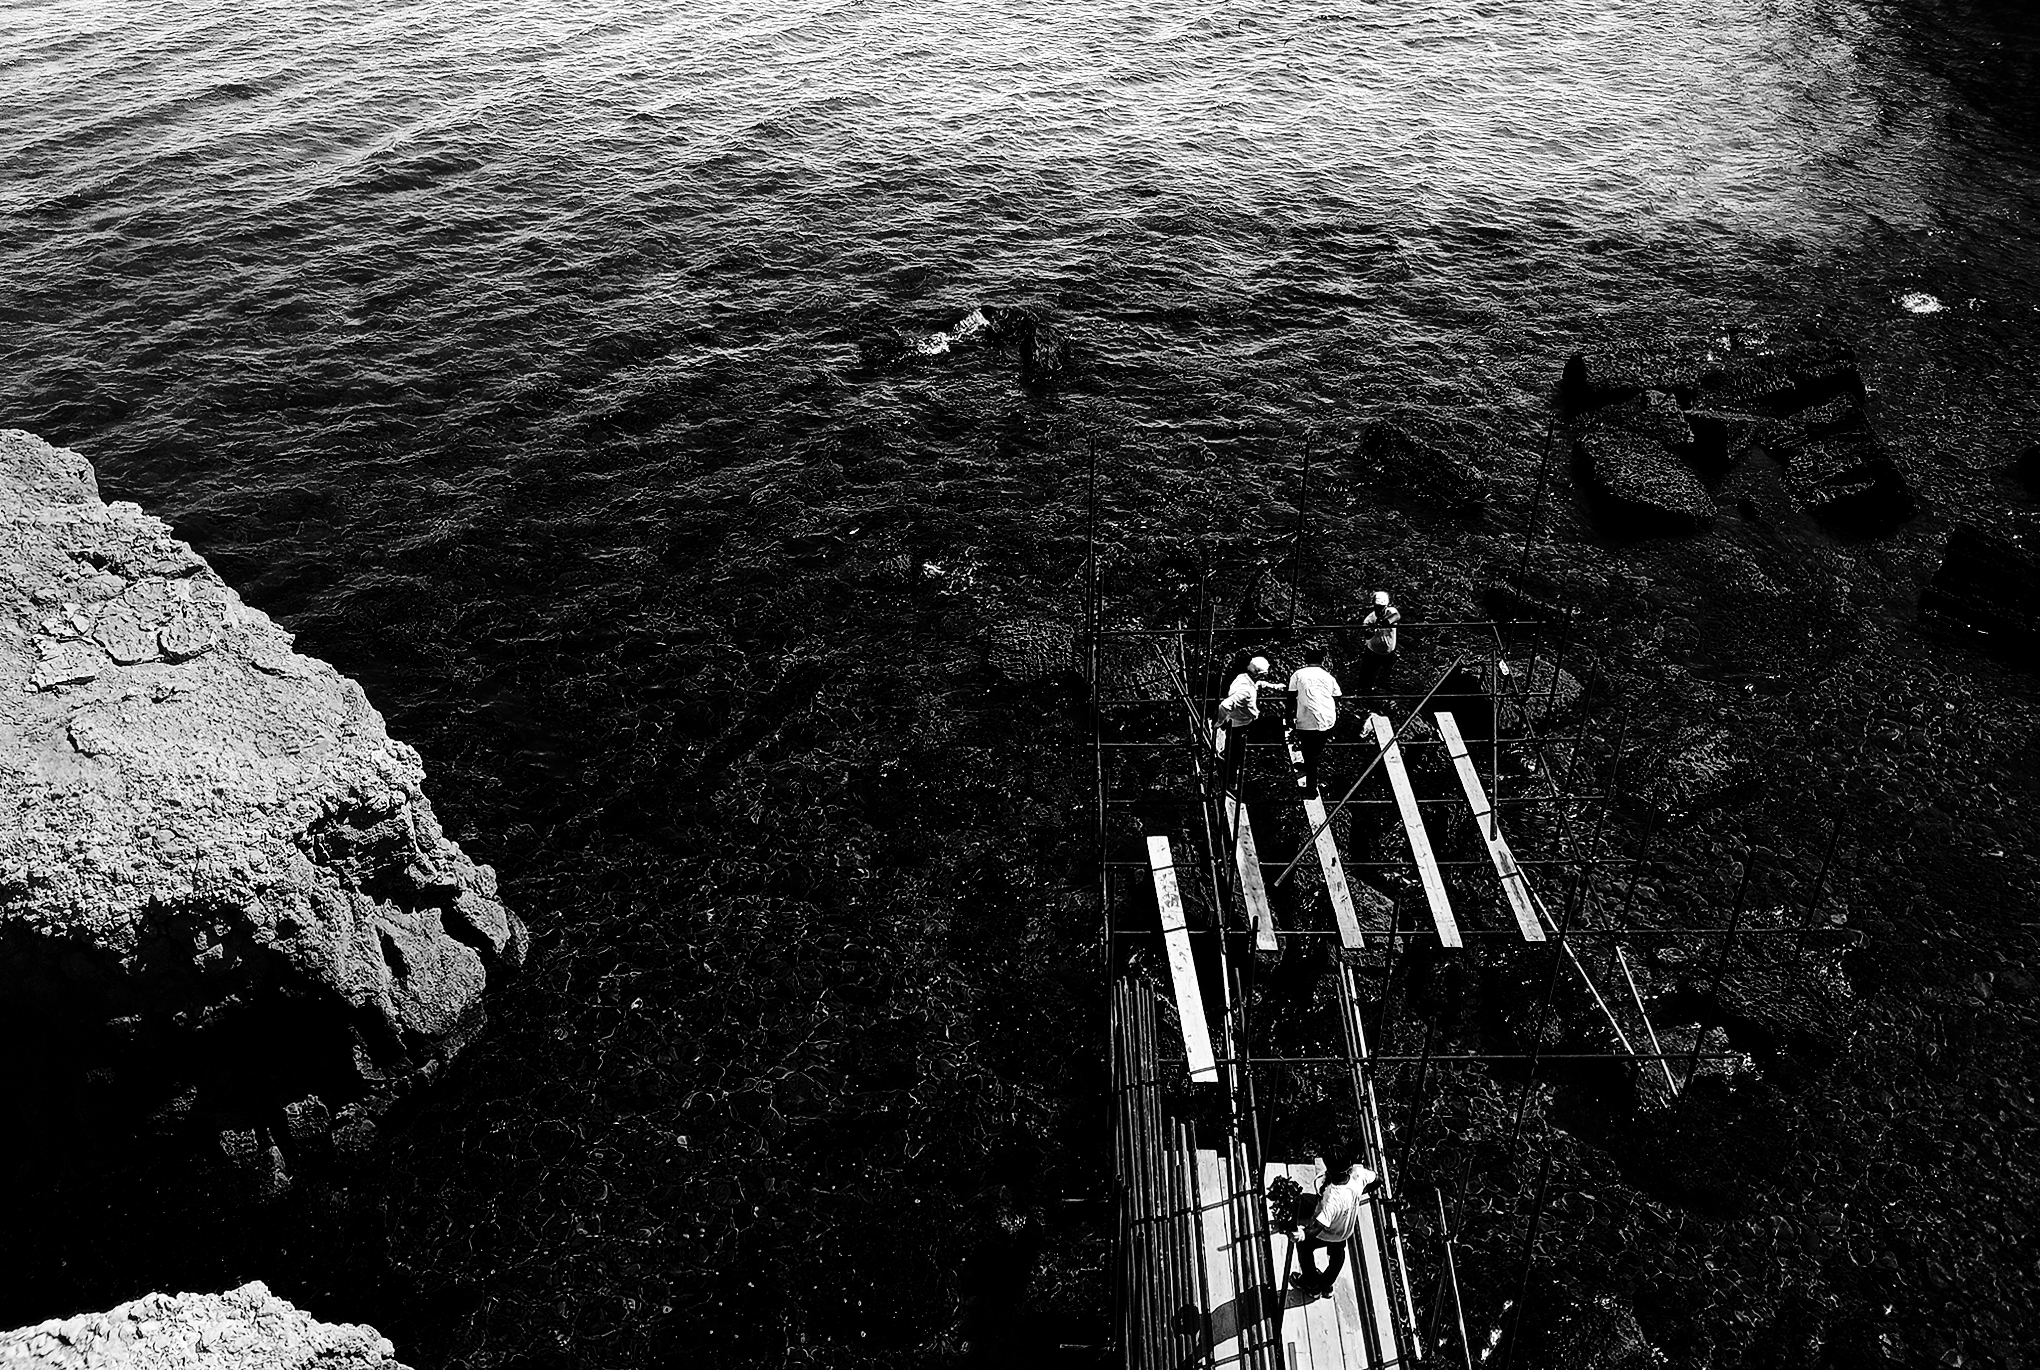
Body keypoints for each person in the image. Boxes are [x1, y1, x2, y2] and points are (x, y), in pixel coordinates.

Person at [1292, 1157, 1382, 1300]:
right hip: (1344, 1229)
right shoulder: (1358, 1175)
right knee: (1337, 1253)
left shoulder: (1331, 1198)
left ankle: (1311, 1284)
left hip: (1328, 1231)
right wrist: (1359, 1193)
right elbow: (1378, 1180)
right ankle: (1327, 1283)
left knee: (1304, 1246)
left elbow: (1317, 1228)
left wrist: (1301, 1234)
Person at [1286, 648, 1342, 798]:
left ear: (1305, 661)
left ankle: (1311, 789)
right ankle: (1308, 765)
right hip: (1328, 719)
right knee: (1315, 750)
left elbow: (1290, 697)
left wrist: (1288, 717)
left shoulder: (1298, 674)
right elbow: (1337, 696)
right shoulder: (1328, 676)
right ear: (1321, 661)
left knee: (1309, 753)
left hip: (1307, 720)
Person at [1217, 656, 1270, 793]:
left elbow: (1256, 684)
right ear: (1259, 674)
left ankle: (1226, 762)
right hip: (1239, 724)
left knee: (1233, 748)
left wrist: (1272, 686)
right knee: (1236, 754)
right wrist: (1219, 721)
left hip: (1234, 720)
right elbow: (1224, 705)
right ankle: (1232, 782)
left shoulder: (1242, 678)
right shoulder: (1246, 691)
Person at [1358, 591, 1401, 702]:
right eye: (1377, 607)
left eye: (1382, 607)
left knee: (1386, 677)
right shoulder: (1369, 619)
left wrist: (1386, 622)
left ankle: (1384, 694)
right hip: (1373, 653)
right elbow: (1367, 635)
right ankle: (1365, 696)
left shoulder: (1391, 612)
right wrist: (1371, 630)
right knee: (1366, 679)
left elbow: (1396, 616)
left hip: (1389, 652)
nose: (1379, 610)